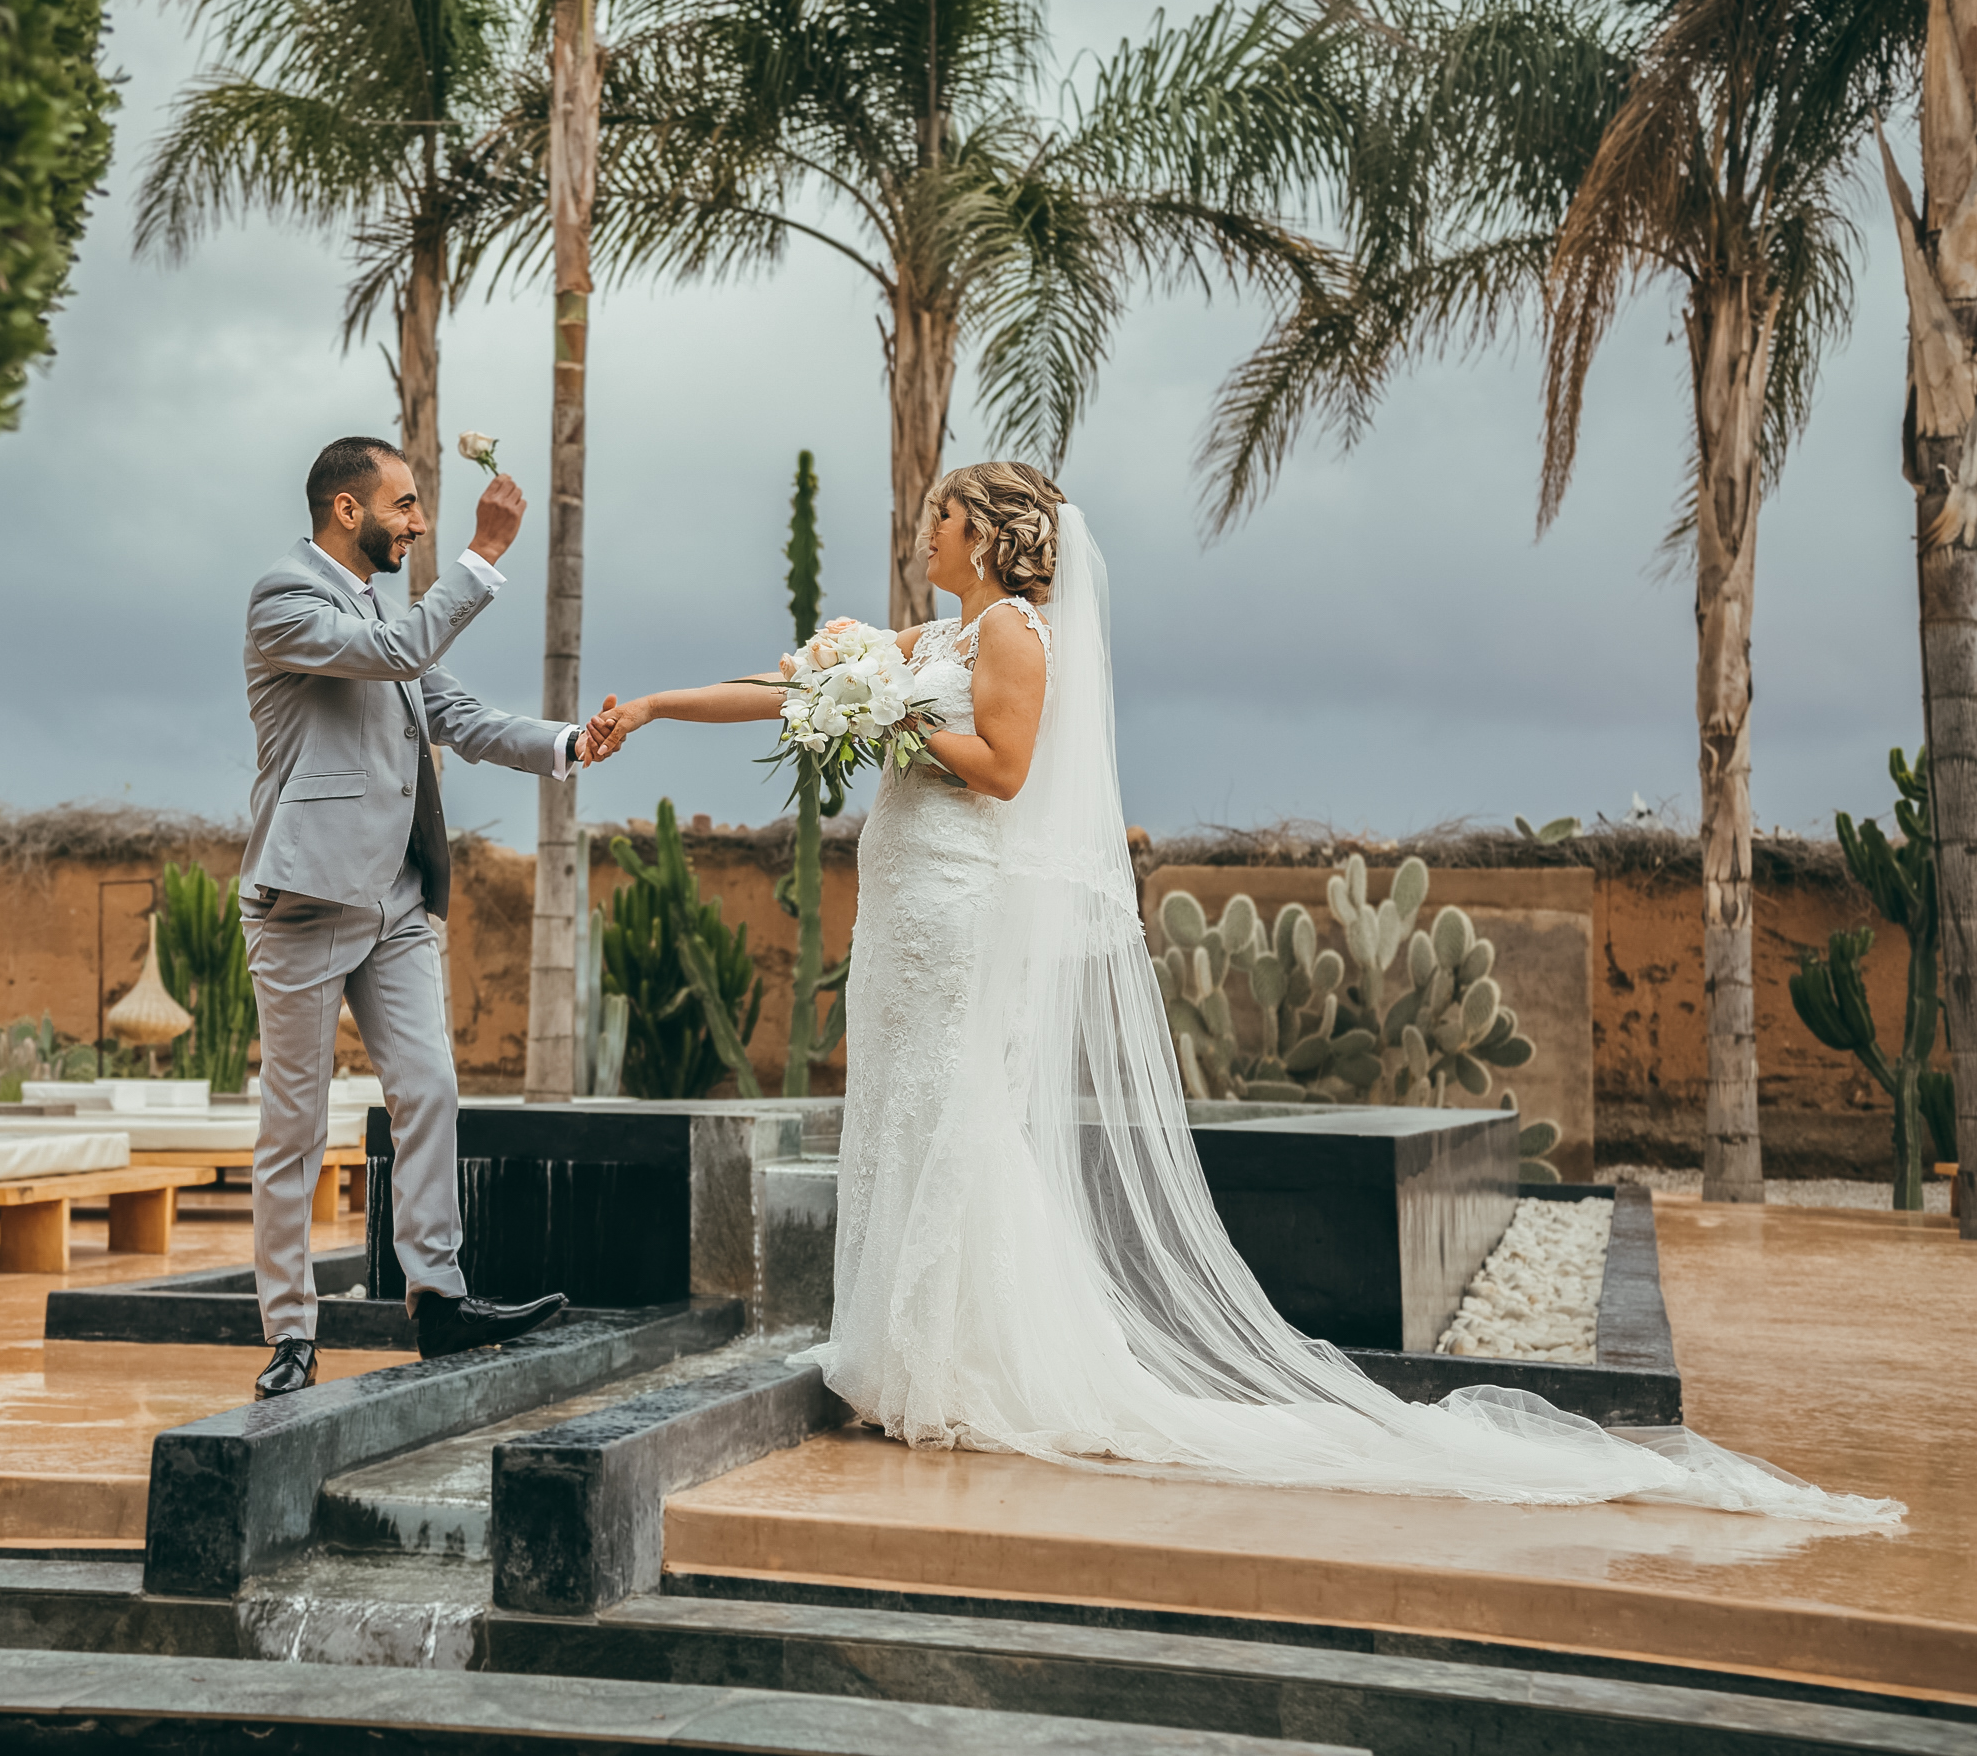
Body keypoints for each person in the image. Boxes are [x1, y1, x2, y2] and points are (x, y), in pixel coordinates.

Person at [577, 460, 1898, 1524]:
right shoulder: (918, 633)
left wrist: (885, 718)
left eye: (937, 514)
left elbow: (1000, 770)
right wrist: (651, 705)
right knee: (904, 1122)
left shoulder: (1017, 637)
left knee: (961, 1122)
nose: (919, 529)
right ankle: (901, 1355)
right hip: (904, 921)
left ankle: (958, 1367)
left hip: (964, 913)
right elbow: (783, 684)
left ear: (983, 533)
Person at [238, 435, 595, 1400]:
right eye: (405, 505)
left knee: (430, 1087)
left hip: (395, 897)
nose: (420, 523)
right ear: (348, 511)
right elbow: (398, 653)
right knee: (294, 1130)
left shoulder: (381, 611)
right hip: (307, 902)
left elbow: (458, 715)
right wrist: (484, 557)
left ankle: (437, 1299)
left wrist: (569, 742)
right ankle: (291, 1332)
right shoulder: (287, 599)